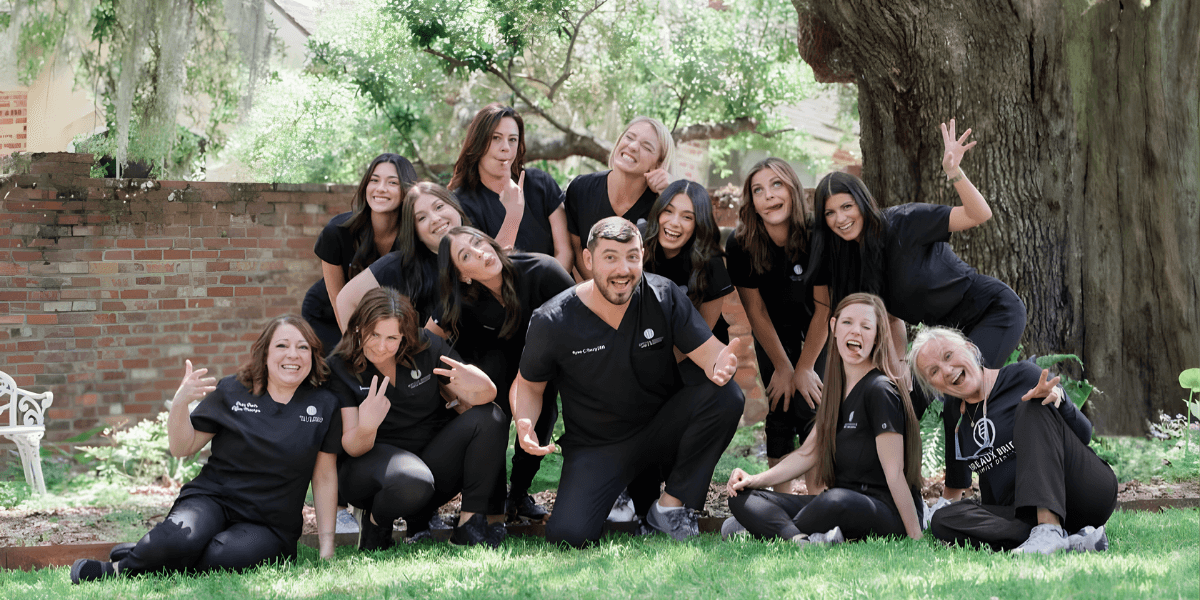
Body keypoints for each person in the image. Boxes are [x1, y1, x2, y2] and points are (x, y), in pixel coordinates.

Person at [513, 217, 745, 547]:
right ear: (589, 260)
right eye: (610, 257)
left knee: (727, 397)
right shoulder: (553, 319)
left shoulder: (663, 295)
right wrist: (525, 423)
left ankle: (670, 508)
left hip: (658, 433)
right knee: (569, 536)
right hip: (596, 446)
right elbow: (530, 386)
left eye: (632, 256)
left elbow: (710, 355)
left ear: (642, 256)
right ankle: (618, 494)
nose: (623, 269)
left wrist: (723, 363)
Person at [71, 317, 341, 583]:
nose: (293, 354)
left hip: (269, 523)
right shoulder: (233, 390)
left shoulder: (324, 404)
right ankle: (120, 569)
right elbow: (181, 447)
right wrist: (179, 404)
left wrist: (327, 547)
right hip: (213, 499)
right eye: (282, 345)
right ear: (265, 353)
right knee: (179, 536)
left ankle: (154, 552)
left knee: (223, 555)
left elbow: (324, 478)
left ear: (314, 355)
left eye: (303, 347)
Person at [809, 121, 1026, 417]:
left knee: (957, 399)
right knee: (906, 403)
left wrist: (954, 172)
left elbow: (979, 214)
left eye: (846, 207)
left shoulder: (904, 222)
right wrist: (900, 370)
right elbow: (893, 318)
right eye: (830, 213)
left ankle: (986, 459)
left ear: (862, 203)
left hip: (990, 310)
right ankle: (896, 465)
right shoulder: (852, 263)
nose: (840, 218)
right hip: (940, 336)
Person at [726, 293, 923, 544]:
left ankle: (765, 530)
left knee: (834, 500)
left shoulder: (879, 390)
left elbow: (894, 472)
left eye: (866, 326)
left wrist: (915, 535)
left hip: (882, 510)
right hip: (839, 503)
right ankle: (796, 539)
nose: (856, 332)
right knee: (741, 496)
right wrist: (754, 480)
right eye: (848, 323)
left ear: (877, 335)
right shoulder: (836, 391)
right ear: (834, 327)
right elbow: (807, 454)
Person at [909, 326, 1116, 554]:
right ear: (934, 387)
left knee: (1031, 406)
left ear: (969, 349)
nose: (947, 370)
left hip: (1082, 491)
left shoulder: (1022, 376)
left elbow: (1084, 435)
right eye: (934, 371)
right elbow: (965, 487)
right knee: (944, 519)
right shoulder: (958, 421)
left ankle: (1049, 530)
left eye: (948, 356)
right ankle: (1071, 542)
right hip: (1025, 512)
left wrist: (1062, 399)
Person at [328, 287, 507, 549]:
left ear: (404, 335)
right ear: (358, 327)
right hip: (368, 468)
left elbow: (480, 398)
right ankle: (377, 524)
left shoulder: (427, 347)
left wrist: (485, 385)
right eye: (373, 334)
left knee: (492, 416)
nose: (380, 346)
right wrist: (368, 425)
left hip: (430, 461)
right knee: (413, 479)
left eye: (392, 337)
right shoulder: (340, 366)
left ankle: (469, 525)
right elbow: (352, 446)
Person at [430, 227, 575, 521]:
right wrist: (453, 394)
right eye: (466, 255)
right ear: (462, 275)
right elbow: (428, 341)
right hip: (489, 370)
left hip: (540, 367)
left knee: (542, 416)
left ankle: (518, 495)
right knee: (489, 412)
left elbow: (582, 319)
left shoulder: (542, 270)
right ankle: (490, 501)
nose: (481, 252)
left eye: (478, 241)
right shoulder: (462, 298)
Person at [726, 158, 830, 493]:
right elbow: (755, 311)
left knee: (812, 401)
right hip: (773, 330)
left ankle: (817, 500)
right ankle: (781, 499)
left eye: (777, 185)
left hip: (819, 328)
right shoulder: (740, 244)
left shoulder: (818, 235)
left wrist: (804, 366)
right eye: (758, 190)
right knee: (781, 403)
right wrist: (784, 367)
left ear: (793, 189)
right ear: (751, 201)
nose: (768, 195)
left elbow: (824, 308)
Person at [302, 154, 418, 352]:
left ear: (406, 191)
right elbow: (336, 295)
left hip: (380, 322)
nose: (380, 188)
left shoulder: (414, 237)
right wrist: (353, 346)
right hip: (330, 314)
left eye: (392, 182)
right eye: (374, 180)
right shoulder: (337, 231)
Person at [449, 103, 572, 273]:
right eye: (496, 138)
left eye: (512, 139)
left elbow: (564, 251)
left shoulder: (540, 182)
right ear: (477, 141)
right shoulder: (462, 203)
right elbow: (487, 268)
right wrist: (513, 215)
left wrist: (553, 292)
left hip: (558, 288)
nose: (506, 147)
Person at [336, 182, 470, 330]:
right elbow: (346, 300)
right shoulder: (399, 265)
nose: (435, 219)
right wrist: (359, 350)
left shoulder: (484, 248)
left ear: (455, 207)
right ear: (415, 232)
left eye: (439, 207)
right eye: (421, 218)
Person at [564, 116, 675, 280]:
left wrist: (673, 189)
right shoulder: (581, 188)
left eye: (646, 146)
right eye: (629, 137)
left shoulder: (663, 206)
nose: (633, 146)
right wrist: (599, 291)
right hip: (587, 289)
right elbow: (576, 249)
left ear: (658, 164)